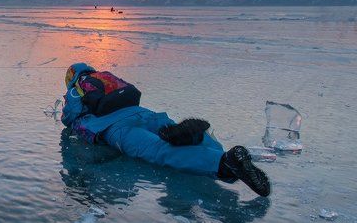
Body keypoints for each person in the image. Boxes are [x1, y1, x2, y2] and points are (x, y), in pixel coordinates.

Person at [61, 63, 270, 196]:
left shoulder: (76, 88)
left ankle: (223, 164)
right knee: (172, 131)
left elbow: (70, 117)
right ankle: (213, 148)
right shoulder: (105, 77)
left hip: (114, 126)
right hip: (144, 113)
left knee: (158, 150)